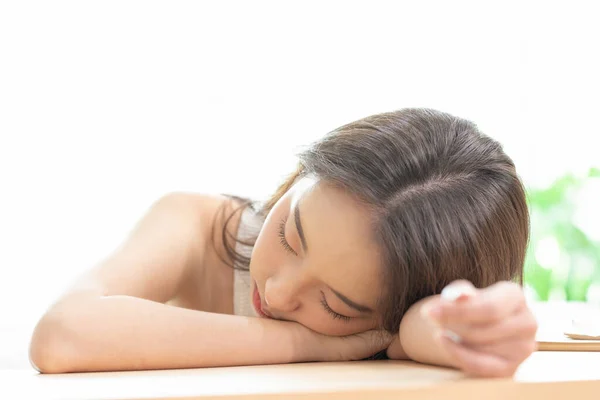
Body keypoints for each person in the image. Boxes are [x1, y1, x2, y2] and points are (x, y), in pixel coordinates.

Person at [29, 108, 537, 377]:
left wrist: (472, 319)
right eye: (289, 236)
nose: (274, 293)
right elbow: (61, 335)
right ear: (301, 175)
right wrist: (308, 341)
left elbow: (423, 330)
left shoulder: (390, 323)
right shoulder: (196, 225)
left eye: (335, 306)